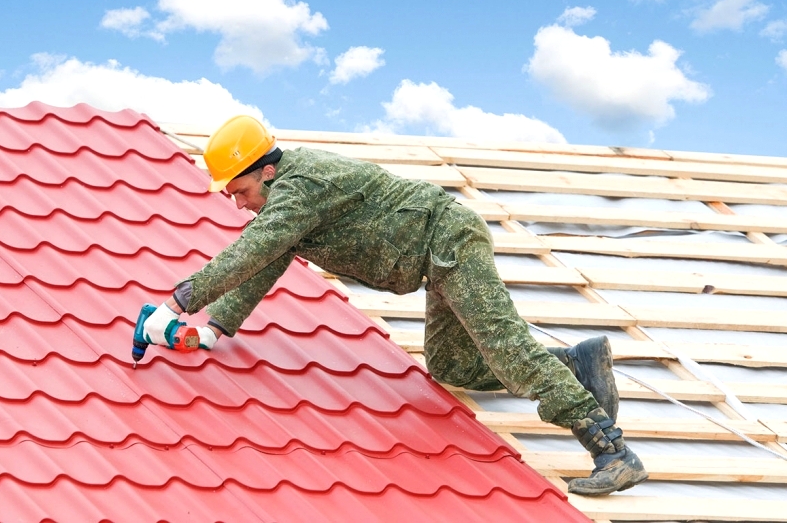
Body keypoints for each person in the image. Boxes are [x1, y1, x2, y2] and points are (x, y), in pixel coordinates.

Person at [141, 115, 648, 496]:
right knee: (451, 365)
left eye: (241, 190)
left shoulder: (301, 187)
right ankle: (574, 363)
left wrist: (175, 304)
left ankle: (612, 451)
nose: (238, 202)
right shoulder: (287, 200)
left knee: (506, 347)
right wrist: (215, 328)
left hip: (447, 241)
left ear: (267, 172)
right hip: (433, 260)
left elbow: (248, 252)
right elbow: (264, 262)